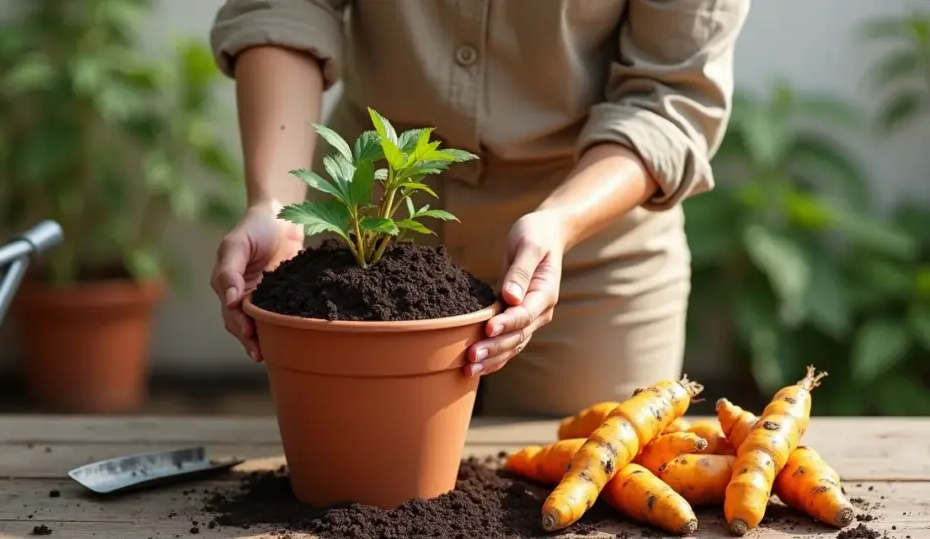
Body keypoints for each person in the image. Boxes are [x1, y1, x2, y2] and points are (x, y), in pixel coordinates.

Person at [208, 0, 750, 416]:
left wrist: (561, 222)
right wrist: (277, 204)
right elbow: (285, 7)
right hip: (366, 235)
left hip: (590, 249)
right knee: (351, 487)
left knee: (580, 487)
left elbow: (670, 95)